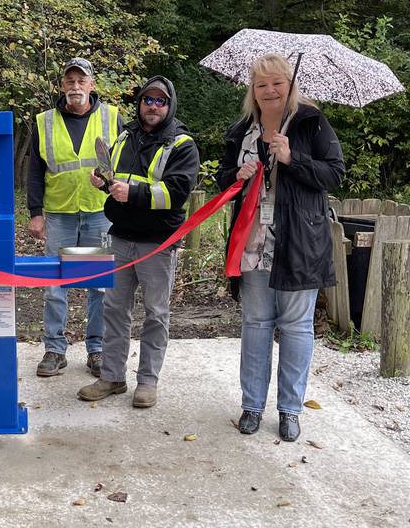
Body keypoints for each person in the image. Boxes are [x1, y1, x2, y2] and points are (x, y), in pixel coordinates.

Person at [216, 53, 344, 442]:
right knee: (255, 325)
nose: (269, 90)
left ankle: (290, 410)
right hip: (253, 241)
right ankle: (251, 406)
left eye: (277, 83)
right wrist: (236, 174)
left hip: (299, 242)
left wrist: (293, 158)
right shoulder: (242, 130)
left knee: (296, 327)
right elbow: (223, 177)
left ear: (290, 85)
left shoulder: (310, 122)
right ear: (252, 91)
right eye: (261, 84)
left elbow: (335, 174)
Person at [78, 76, 200, 408]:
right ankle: (113, 377)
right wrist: (103, 183)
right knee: (114, 309)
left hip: (158, 243)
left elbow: (176, 194)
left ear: (170, 105)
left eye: (161, 101)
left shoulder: (182, 144)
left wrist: (132, 193)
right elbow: (116, 181)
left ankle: (147, 382)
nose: (153, 106)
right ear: (140, 102)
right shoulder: (123, 137)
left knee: (156, 313)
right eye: (149, 99)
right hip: (121, 237)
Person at [27, 58, 124, 378]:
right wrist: (35, 213)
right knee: (56, 285)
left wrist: (112, 186)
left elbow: (125, 165)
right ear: (62, 86)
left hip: (100, 213)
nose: (75, 87)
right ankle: (55, 348)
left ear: (92, 85)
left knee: (99, 286)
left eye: (81, 81)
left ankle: (96, 349)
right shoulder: (44, 121)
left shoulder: (112, 117)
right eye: (70, 81)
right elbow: (35, 171)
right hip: (59, 215)